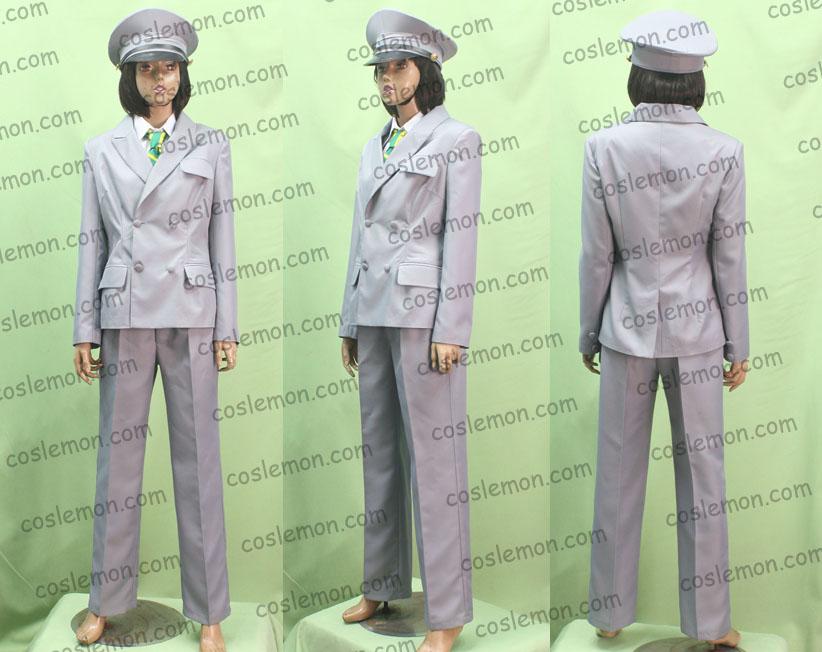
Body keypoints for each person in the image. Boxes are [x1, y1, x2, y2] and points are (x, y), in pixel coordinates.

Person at [578, 9, 748, 649]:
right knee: (704, 477)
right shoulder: (724, 151)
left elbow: (596, 256)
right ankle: (713, 624)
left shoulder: (603, 147)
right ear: (696, 81)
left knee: (617, 473)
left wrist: (589, 332)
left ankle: (608, 614)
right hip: (700, 330)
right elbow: (728, 256)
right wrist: (738, 343)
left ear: (637, 77)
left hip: (624, 328)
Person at [71, 9, 238, 651]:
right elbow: (91, 242)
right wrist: (84, 329)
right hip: (126, 311)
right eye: (148, 69)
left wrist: (228, 325)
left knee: (200, 465)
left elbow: (223, 237)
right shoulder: (101, 150)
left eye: (169, 68)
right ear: (131, 77)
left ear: (182, 74)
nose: (160, 80)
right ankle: (105, 603)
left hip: (192, 312)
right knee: (117, 465)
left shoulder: (212, 144)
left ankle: (210, 611)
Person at [337, 9, 482, 652]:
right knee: (380, 454)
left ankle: (446, 613)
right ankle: (381, 582)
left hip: (424, 319)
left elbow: (462, 238)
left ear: (425, 71)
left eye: (399, 67)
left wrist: (453, 326)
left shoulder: (457, 139)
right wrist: (349, 318)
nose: (387, 79)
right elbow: (360, 236)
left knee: (436, 464)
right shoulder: (375, 145)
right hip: (372, 312)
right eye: (381, 70)